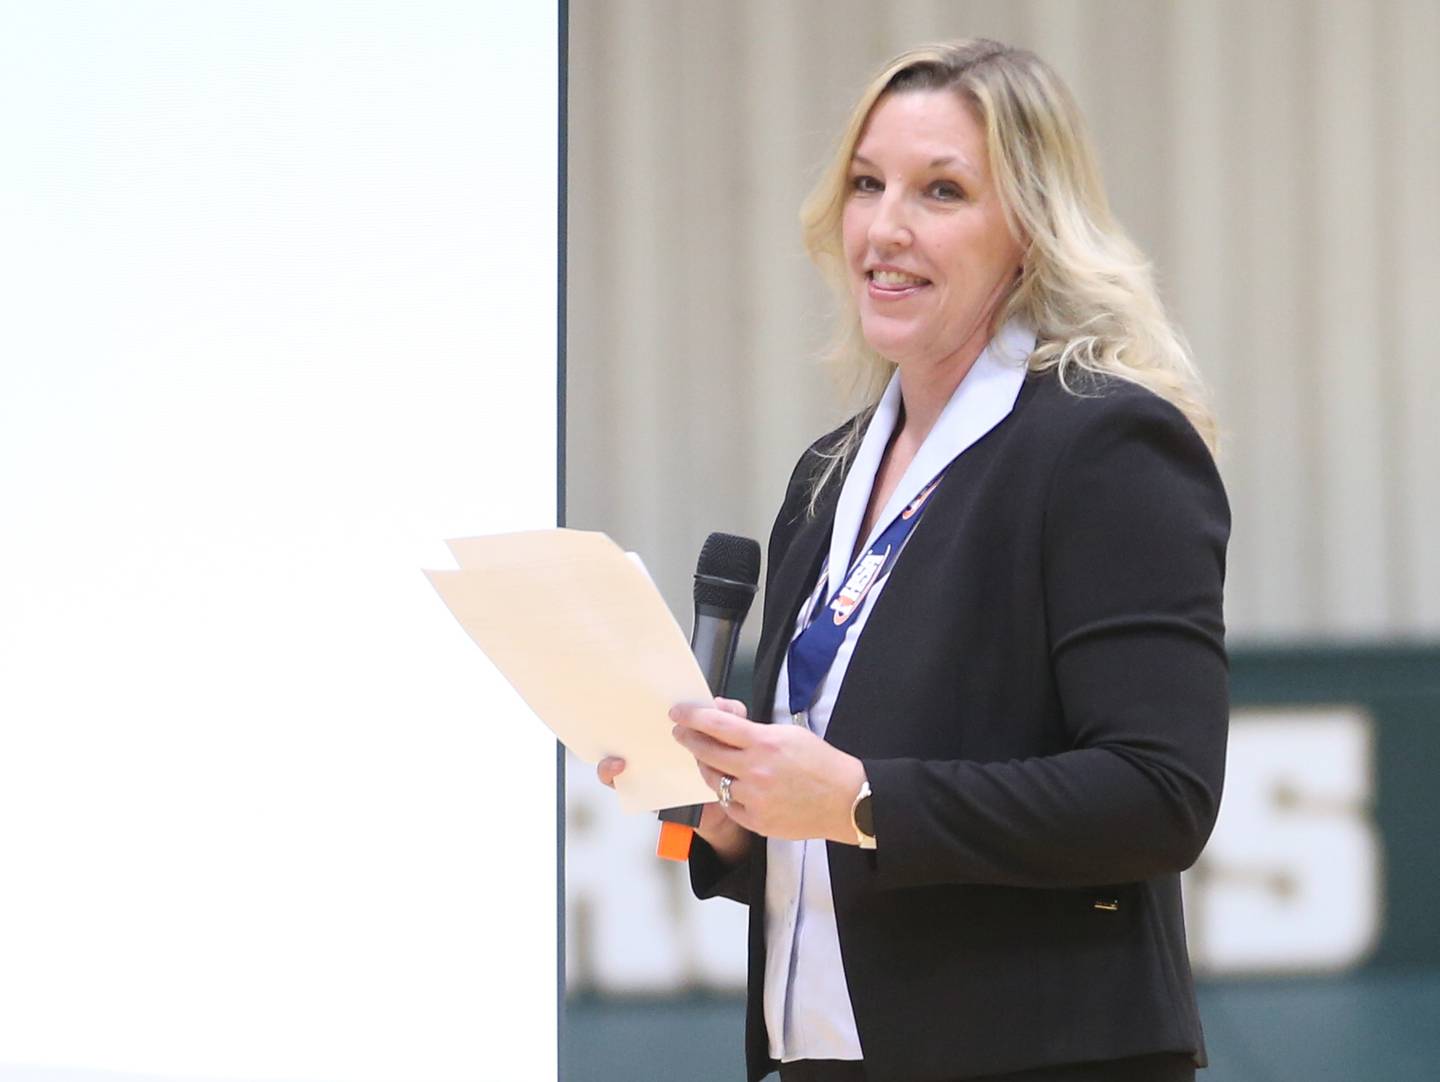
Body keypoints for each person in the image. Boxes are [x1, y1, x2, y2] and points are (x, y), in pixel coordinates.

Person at [599, 38, 1228, 1082]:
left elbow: (1160, 794)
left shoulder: (1104, 445)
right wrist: (719, 832)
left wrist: (856, 798)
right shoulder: (828, 471)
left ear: (1028, 227)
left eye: (941, 190)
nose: (884, 228)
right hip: (828, 1058)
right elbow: (824, 846)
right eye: (865, 184)